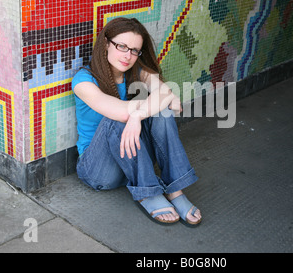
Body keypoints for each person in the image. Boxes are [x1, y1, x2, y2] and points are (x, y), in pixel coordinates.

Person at [71, 17, 202, 227]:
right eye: (121, 46)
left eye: (134, 50)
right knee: (119, 118)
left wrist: (139, 115)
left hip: (132, 160)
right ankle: (147, 193)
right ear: (106, 43)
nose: (127, 55)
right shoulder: (84, 80)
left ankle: (175, 190)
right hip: (98, 170)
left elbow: (167, 94)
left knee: (163, 112)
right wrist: (150, 106)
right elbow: (125, 112)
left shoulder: (137, 72)